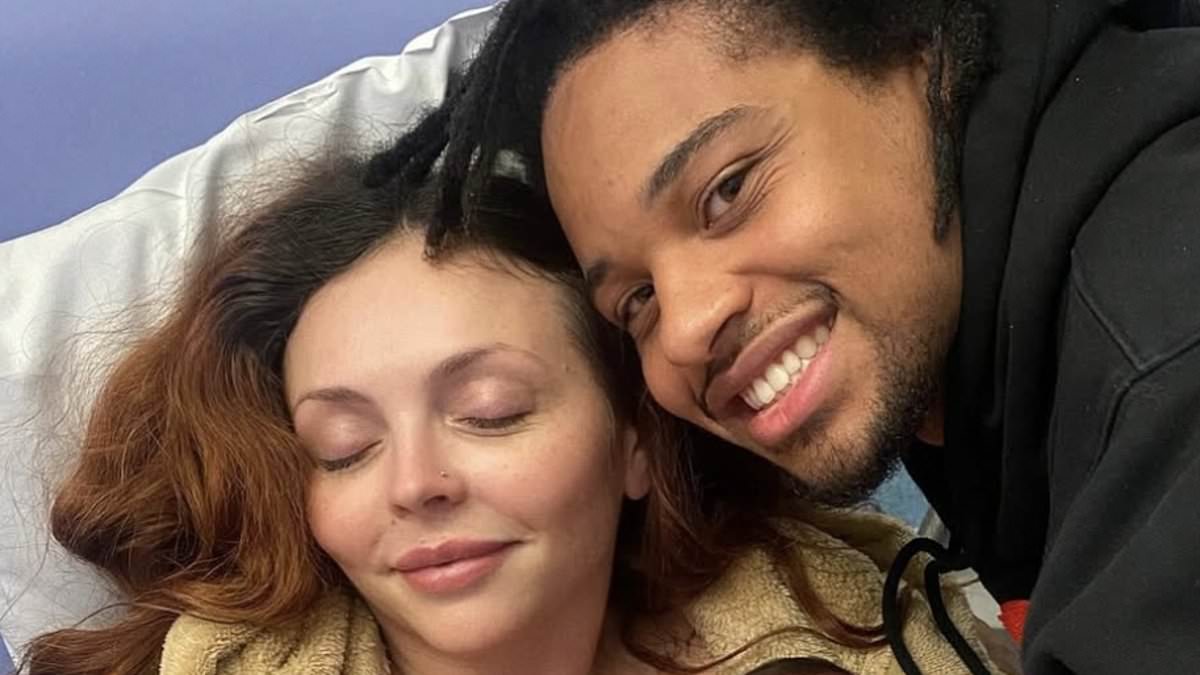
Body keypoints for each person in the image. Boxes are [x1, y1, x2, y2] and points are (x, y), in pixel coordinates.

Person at [368, 0, 1200, 673]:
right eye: (637, 299)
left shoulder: (1165, 348)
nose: (686, 328)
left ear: (920, 57)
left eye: (727, 191)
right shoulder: (945, 326)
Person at [20, 153, 1004, 674]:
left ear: (634, 442)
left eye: (488, 412)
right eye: (345, 447)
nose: (415, 484)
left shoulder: (883, 637)